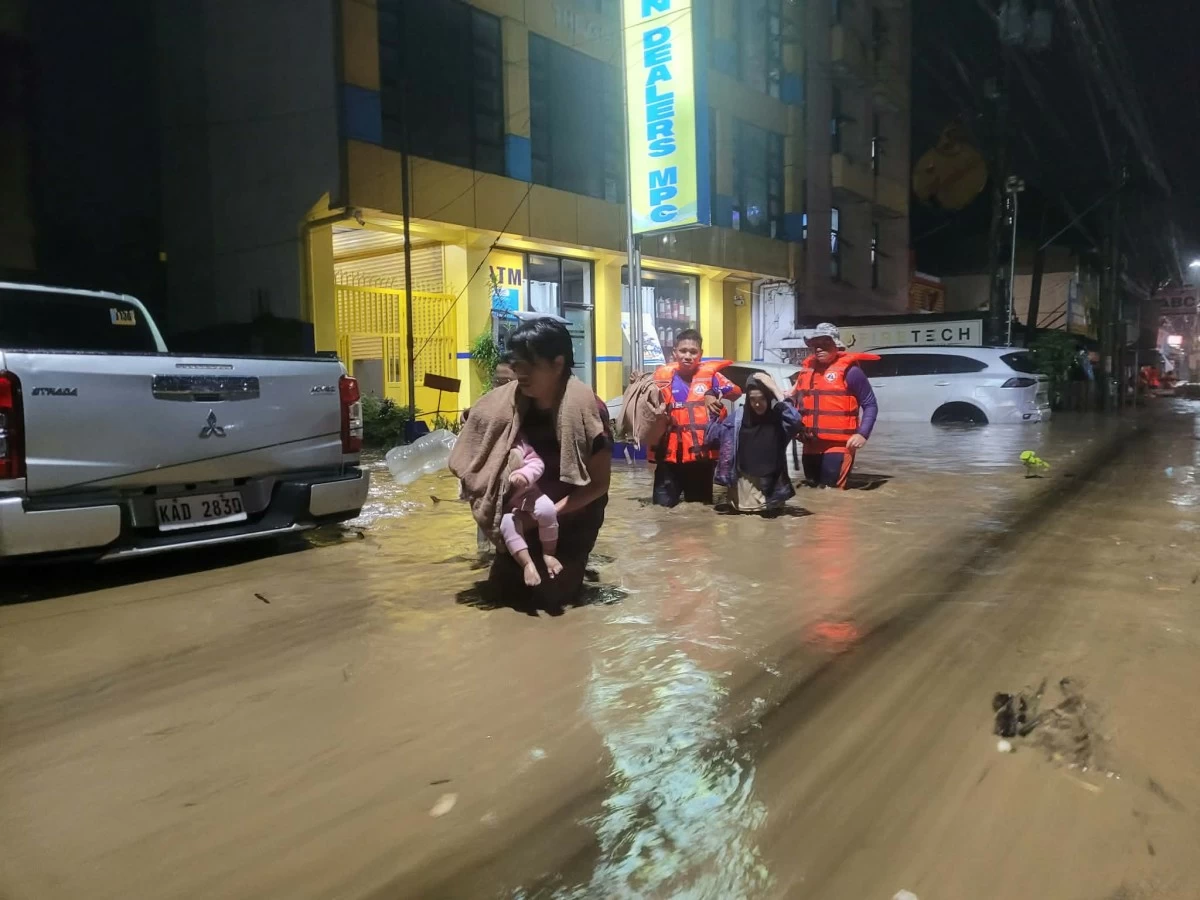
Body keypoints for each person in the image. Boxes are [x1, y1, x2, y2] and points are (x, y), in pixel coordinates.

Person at [451, 319, 611, 610]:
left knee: (552, 599)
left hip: (573, 518)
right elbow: (481, 421)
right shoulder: (508, 403)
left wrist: (544, 516)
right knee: (501, 594)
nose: (519, 373)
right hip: (520, 511)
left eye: (529, 365)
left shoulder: (588, 411)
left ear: (557, 364)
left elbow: (599, 485)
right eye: (516, 364)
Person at [649, 329, 740, 507]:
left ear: (701, 354)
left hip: (700, 459)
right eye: (683, 351)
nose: (688, 356)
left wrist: (712, 392)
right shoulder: (661, 377)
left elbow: (736, 392)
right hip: (668, 457)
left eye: (693, 352)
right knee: (661, 510)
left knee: (699, 510)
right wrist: (635, 384)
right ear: (674, 352)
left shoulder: (712, 377)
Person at [791, 323, 879, 490]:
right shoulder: (807, 371)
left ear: (836, 345)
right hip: (810, 443)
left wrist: (862, 434)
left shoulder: (851, 372)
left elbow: (870, 405)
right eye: (815, 344)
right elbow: (797, 403)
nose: (819, 348)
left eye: (824, 343)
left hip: (839, 444)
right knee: (812, 489)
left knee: (831, 490)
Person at [709, 372, 801, 513]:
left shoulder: (779, 419)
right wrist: (714, 413)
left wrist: (775, 389)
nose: (757, 404)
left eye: (762, 398)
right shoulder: (736, 420)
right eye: (752, 399)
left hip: (771, 497)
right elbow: (712, 438)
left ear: (769, 397)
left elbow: (796, 420)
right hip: (741, 498)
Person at [499, 439, 561, 586]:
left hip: (527, 493)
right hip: (502, 503)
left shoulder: (518, 442)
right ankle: (527, 563)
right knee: (507, 524)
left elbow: (536, 462)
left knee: (547, 508)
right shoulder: (478, 447)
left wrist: (524, 475)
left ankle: (549, 553)